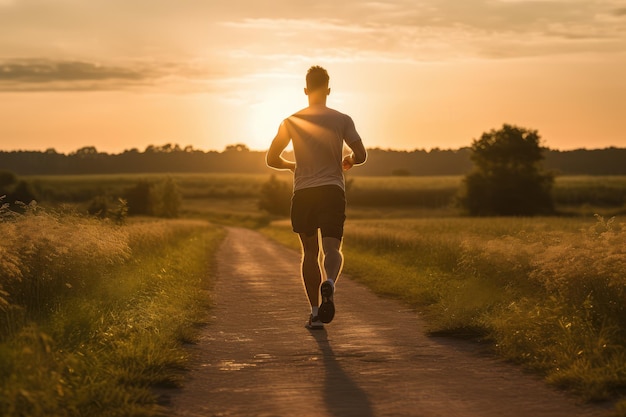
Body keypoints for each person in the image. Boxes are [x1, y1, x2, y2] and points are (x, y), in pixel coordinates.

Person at [266, 65, 367, 330]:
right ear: (329, 91)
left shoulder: (291, 121)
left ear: (305, 90)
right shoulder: (342, 119)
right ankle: (330, 283)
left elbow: (270, 158)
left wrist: (291, 165)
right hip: (332, 190)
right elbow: (362, 155)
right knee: (332, 249)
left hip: (304, 192)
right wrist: (350, 160)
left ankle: (314, 314)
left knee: (309, 253)